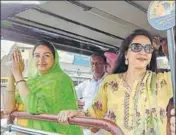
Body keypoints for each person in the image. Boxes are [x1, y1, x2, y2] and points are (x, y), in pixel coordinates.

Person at [57, 29, 175, 135]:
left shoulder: (164, 80)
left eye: (148, 48)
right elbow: (93, 116)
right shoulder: (110, 82)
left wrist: (169, 51)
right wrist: (75, 115)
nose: (143, 52)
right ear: (126, 53)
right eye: (136, 47)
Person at [2, 41, 83, 135]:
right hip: (26, 131)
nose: (41, 60)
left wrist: (18, 75)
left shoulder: (60, 80)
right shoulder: (31, 82)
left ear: (55, 58)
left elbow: (35, 107)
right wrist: (11, 73)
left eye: (46, 55)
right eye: (37, 55)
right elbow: (8, 109)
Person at [75, 53, 106, 135]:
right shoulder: (86, 84)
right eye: (92, 63)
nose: (95, 66)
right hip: (87, 126)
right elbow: (71, 94)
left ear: (104, 65)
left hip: (103, 127)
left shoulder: (110, 82)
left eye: (98, 63)